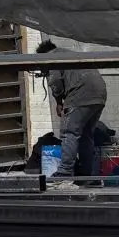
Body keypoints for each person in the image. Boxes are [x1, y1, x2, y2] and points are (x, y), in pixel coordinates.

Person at [34, 39, 107, 179]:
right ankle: (87, 174)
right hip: (99, 94)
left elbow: (55, 82)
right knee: (86, 136)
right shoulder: (69, 54)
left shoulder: (50, 57)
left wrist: (58, 101)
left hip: (80, 94)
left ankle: (65, 171)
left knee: (69, 133)